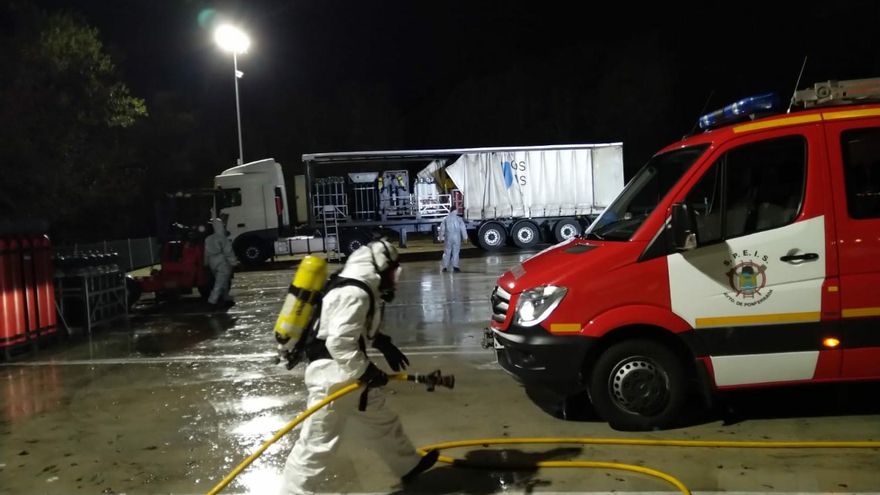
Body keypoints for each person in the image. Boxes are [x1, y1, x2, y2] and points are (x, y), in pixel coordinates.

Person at [280, 239, 439, 494]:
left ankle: (407, 465)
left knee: (381, 419)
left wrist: (382, 342)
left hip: (343, 373)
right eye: (392, 271)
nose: (394, 278)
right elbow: (339, 341)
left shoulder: (356, 286)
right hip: (332, 377)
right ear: (380, 266)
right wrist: (365, 371)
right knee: (316, 444)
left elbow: (354, 328)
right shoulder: (354, 292)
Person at [203, 217, 237, 309]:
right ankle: (212, 301)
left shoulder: (208, 239)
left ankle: (226, 299)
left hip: (212, 262)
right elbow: (228, 252)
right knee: (220, 282)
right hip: (222, 261)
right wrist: (234, 263)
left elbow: (206, 253)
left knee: (223, 282)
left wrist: (206, 263)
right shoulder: (222, 238)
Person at [438, 205, 468, 272]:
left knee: (447, 252)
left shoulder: (445, 219)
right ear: (456, 210)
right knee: (456, 252)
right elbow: (463, 229)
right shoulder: (459, 219)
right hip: (457, 238)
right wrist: (465, 238)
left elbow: (442, 229)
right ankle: (455, 267)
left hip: (448, 238)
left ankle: (444, 267)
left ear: (450, 210)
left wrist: (440, 237)